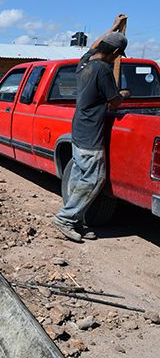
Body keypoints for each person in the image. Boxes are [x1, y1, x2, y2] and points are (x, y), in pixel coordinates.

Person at [54, 14, 131, 242]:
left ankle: (75, 220)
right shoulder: (104, 70)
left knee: (79, 177)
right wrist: (125, 93)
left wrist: (114, 27)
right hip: (90, 135)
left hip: (79, 130)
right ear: (115, 53)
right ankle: (65, 219)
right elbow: (115, 101)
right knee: (95, 179)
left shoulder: (84, 63)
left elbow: (97, 44)